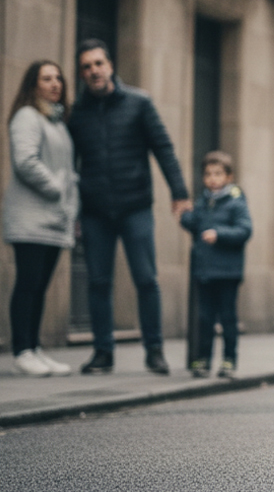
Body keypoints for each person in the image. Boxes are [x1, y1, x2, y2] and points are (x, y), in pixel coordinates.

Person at [69, 39, 192, 375]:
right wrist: (74, 212)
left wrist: (179, 191)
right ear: (81, 73)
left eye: (98, 63)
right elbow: (69, 165)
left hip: (135, 206)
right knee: (98, 282)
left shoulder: (139, 103)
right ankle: (102, 352)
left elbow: (163, 147)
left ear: (110, 66)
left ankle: (154, 350)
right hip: (95, 212)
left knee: (146, 279)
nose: (94, 70)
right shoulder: (76, 114)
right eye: (87, 66)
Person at [4, 60, 78, 376]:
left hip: (53, 219)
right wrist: (57, 189)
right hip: (31, 218)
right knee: (28, 284)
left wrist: (69, 208)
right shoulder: (27, 116)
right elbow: (25, 161)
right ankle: (22, 350)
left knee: (40, 286)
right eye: (46, 78)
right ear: (32, 84)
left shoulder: (57, 121)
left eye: (58, 78)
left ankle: (34, 348)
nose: (54, 83)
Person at [180, 151, 252, 380]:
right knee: (205, 318)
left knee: (228, 318)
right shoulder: (203, 202)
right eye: (208, 174)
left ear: (228, 177)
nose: (213, 178)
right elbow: (194, 226)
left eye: (218, 174)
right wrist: (185, 216)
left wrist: (219, 234)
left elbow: (244, 230)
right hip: (205, 270)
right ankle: (202, 359)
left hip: (228, 272)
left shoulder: (236, 202)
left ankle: (229, 360)